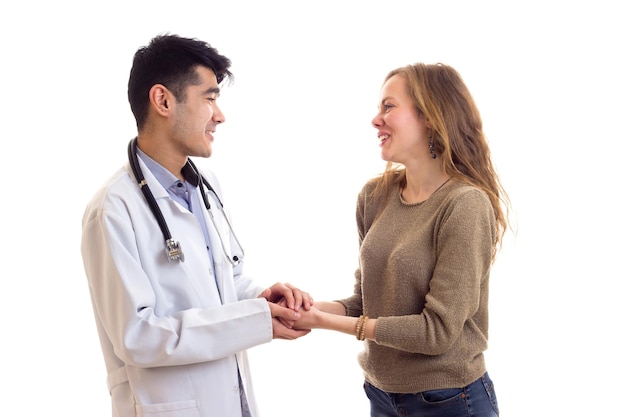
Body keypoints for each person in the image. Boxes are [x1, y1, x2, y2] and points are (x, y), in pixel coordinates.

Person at [80, 33, 312, 417]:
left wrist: (260, 298)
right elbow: (137, 336)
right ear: (163, 100)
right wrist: (255, 322)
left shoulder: (205, 188)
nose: (219, 115)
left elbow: (221, 283)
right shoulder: (113, 208)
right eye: (209, 98)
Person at [293, 63, 510, 416]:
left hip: (450, 400)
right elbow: (367, 303)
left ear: (429, 116)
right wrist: (306, 309)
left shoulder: (465, 204)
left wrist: (325, 322)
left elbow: (437, 331)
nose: (376, 120)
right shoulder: (375, 196)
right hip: (381, 395)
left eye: (388, 107)